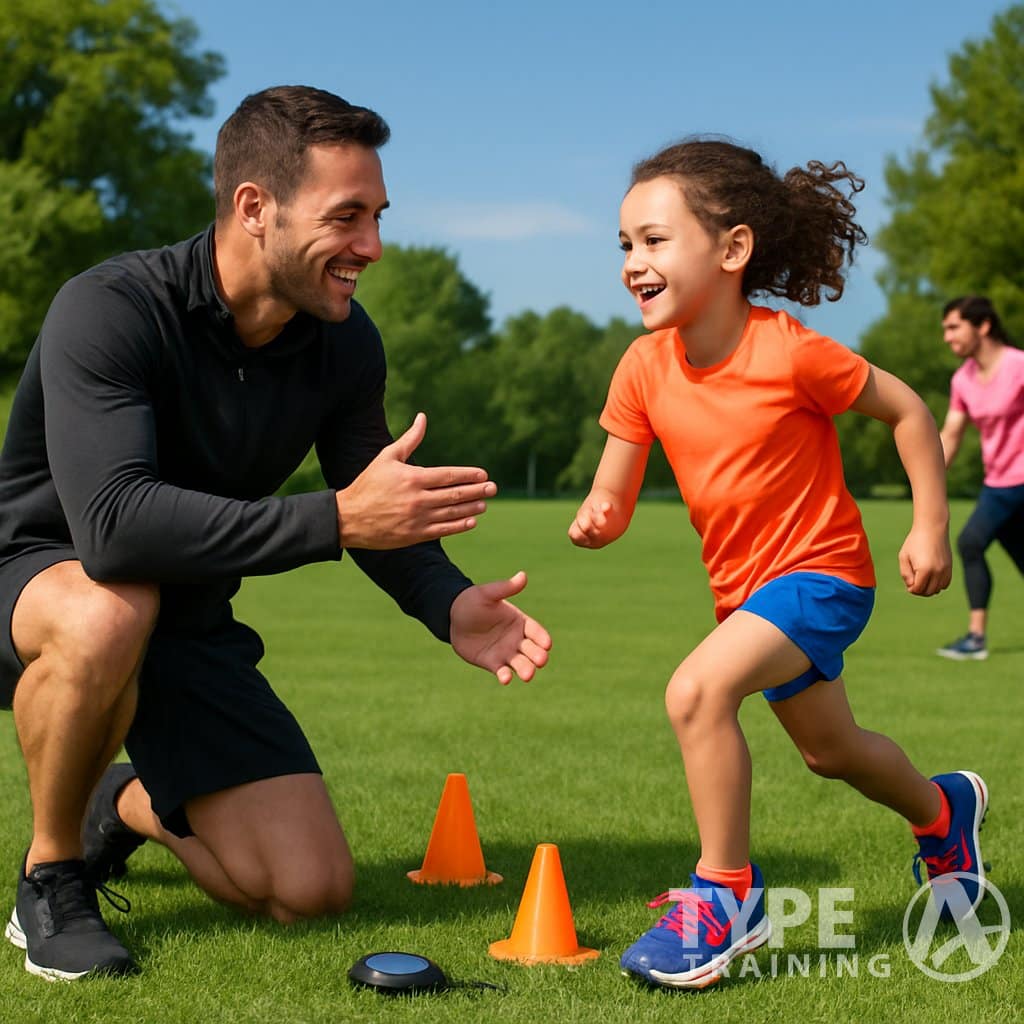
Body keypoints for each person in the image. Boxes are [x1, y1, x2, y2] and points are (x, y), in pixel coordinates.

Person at [0, 85, 552, 982]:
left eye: (377, 216)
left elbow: (376, 502)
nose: (371, 247)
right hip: (36, 585)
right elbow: (111, 530)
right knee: (109, 611)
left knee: (311, 890)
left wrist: (448, 602)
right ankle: (52, 875)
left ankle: (126, 801)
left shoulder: (342, 343)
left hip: (181, 617)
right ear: (255, 208)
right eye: (347, 218)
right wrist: (336, 521)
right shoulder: (110, 309)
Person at [569, 138, 988, 990]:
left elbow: (908, 410)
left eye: (653, 240)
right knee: (832, 753)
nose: (632, 263)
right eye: (624, 245)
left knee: (696, 692)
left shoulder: (788, 350)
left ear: (731, 250)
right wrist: (599, 518)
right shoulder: (643, 367)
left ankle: (726, 898)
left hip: (824, 577)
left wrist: (930, 527)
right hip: (747, 597)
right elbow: (613, 490)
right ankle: (944, 813)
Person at [935, 295, 1024, 661]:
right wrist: (927, 475)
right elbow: (951, 434)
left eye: (954, 327)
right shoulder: (963, 380)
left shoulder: (1019, 366)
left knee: (971, 542)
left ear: (982, 326)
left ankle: (975, 638)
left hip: (1021, 480)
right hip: (999, 480)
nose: (947, 337)